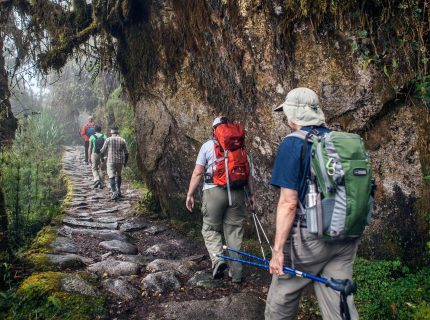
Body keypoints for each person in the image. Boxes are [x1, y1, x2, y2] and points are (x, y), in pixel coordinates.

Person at [265, 87, 359, 320]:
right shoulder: (341, 141)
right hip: (346, 234)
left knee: (282, 298)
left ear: (294, 114)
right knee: (339, 301)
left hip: (309, 239)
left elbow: (288, 203)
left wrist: (277, 251)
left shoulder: (293, 143)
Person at [185, 116, 255, 283]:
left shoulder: (208, 146)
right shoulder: (241, 146)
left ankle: (218, 260)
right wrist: (252, 195)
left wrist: (190, 194)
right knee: (234, 233)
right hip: (238, 193)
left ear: (214, 130)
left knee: (210, 229)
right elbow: (248, 174)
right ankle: (236, 275)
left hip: (213, 191)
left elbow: (198, 172)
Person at [100, 125, 129, 200]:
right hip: (120, 161)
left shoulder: (108, 140)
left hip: (111, 161)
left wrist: (102, 158)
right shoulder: (122, 140)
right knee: (119, 175)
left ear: (111, 132)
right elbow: (126, 152)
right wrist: (125, 162)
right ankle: (119, 191)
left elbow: (102, 150)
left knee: (111, 176)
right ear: (118, 132)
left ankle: (114, 192)